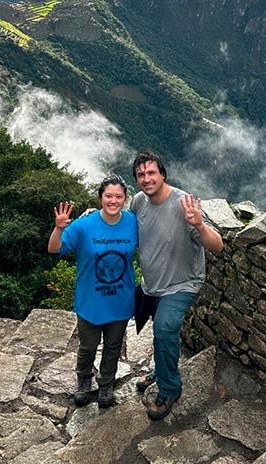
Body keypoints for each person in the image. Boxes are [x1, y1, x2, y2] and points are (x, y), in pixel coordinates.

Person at [130, 150, 223, 421]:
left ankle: (170, 389)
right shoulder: (138, 202)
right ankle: (160, 370)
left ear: (163, 174)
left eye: (151, 173)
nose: (146, 179)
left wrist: (200, 225)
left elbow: (217, 246)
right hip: (153, 284)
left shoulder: (184, 204)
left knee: (164, 328)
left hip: (183, 283)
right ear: (136, 180)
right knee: (159, 331)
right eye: (141, 175)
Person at [48, 175, 137, 408]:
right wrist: (59, 228)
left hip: (120, 301)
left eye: (118, 196)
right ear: (100, 198)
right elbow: (54, 249)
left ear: (125, 199)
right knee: (87, 346)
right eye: (108, 196)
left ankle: (106, 384)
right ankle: (84, 381)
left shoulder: (132, 223)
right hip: (90, 301)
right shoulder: (84, 225)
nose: (113, 201)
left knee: (113, 347)